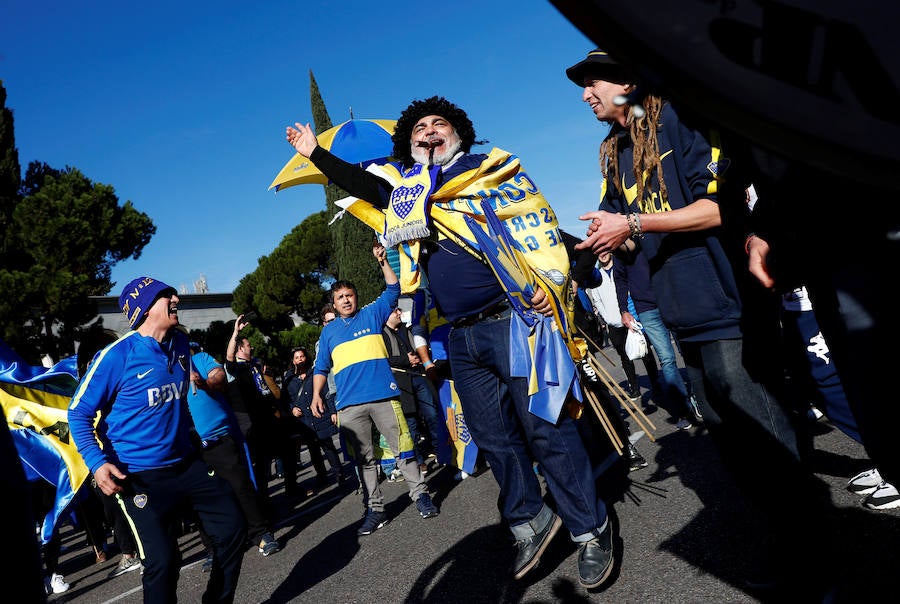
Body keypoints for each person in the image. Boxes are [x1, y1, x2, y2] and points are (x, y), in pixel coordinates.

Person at [286, 96, 614, 589]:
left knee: (547, 427)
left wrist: (556, 280)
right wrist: (317, 154)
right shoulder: (405, 191)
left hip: (516, 320)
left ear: (458, 132)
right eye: (420, 128)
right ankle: (531, 521)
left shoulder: (488, 169)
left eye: (440, 123)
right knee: (493, 437)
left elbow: (537, 227)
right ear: (409, 143)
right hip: (459, 337)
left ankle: (591, 528)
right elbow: (365, 186)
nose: (430, 131)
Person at [566, 49, 834, 594]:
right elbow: (626, 225)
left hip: (726, 303)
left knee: (765, 432)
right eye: (582, 85)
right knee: (731, 440)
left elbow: (721, 209)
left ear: (628, 81)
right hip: (678, 314)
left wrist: (633, 222)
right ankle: (786, 540)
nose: (586, 93)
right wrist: (597, 242)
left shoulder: (679, 118)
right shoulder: (615, 151)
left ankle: (820, 552)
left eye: (594, 81)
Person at [68, 276, 247, 603]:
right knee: (164, 561)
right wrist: (97, 464)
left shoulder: (180, 345)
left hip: (185, 464)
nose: (176, 298)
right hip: (137, 477)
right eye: (166, 296)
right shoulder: (116, 357)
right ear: (145, 308)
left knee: (234, 527)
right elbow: (77, 413)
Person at [311, 242, 439, 535]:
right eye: (340, 297)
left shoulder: (372, 314)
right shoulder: (328, 332)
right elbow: (320, 368)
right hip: (349, 406)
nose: (345, 300)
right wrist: (317, 394)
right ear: (334, 302)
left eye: (349, 295)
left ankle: (420, 495)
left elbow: (393, 292)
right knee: (364, 461)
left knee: (404, 449)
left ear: (356, 298)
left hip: (384, 396)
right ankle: (376, 509)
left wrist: (382, 261)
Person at [186, 339, 280, 567]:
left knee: (240, 486)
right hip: (189, 445)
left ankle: (260, 534)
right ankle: (213, 548)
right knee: (201, 501)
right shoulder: (164, 371)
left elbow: (220, 379)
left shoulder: (200, 358)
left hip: (219, 438)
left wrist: (205, 382)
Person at [612, 246, 702, 428]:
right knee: (667, 360)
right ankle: (682, 410)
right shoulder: (619, 244)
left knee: (689, 351)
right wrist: (623, 309)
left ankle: (699, 398)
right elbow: (620, 279)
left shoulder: (650, 228)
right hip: (646, 309)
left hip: (672, 298)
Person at [583, 250, 665, 417]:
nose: (602, 255)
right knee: (625, 357)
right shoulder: (597, 275)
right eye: (599, 253)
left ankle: (656, 384)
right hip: (614, 323)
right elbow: (596, 299)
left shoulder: (621, 269)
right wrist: (608, 318)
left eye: (605, 251)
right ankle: (634, 389)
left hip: (632, 317)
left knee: (645, 352)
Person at [225, 325, 300, 502]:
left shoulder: (255, 365)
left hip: (271, 418)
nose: (252, 347)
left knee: (288, 453)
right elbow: (229, 358)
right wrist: (236, 332)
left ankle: (292, 489)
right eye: (248, 345)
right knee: (263, 463)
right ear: (240, 349)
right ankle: (264, 501)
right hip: (256, 423)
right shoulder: (235, 369)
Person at [382, 304, 442, 474]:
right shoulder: (381, 335)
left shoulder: (407, 329)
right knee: (411, 424)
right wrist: (405, 360)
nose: (399, 313)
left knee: (432, 415)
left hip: (418, 376)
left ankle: (440, 451)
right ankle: (419, 461)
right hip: (402, 384)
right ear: (387, 315)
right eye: (395, 311)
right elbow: (385, 359)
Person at [284, 346, 347, 486]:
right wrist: (292, 409)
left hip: (319, 415)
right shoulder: (289, 379)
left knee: (328, 447)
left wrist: (332, 412)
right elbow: (286, 400)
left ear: (306, 358)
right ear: (293, 361)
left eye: (302, 356)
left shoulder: (315, 374)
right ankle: (322, 477)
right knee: (314, 451)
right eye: (297, 357)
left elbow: (326, 393)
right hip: (304, 421)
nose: (300, 359)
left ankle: (339, 474)